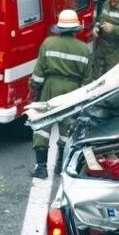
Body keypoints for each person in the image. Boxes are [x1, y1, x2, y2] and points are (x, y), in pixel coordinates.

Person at [29, 9, 93, 178]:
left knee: (42, 125)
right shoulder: (83, 49)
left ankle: (41, 167)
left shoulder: (48, 44)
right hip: (72, 90)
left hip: (50, 87)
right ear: (75, 29)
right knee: (68, 129)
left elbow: (38, 74)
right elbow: (87, 80)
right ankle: (60, 166)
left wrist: (34, 88)